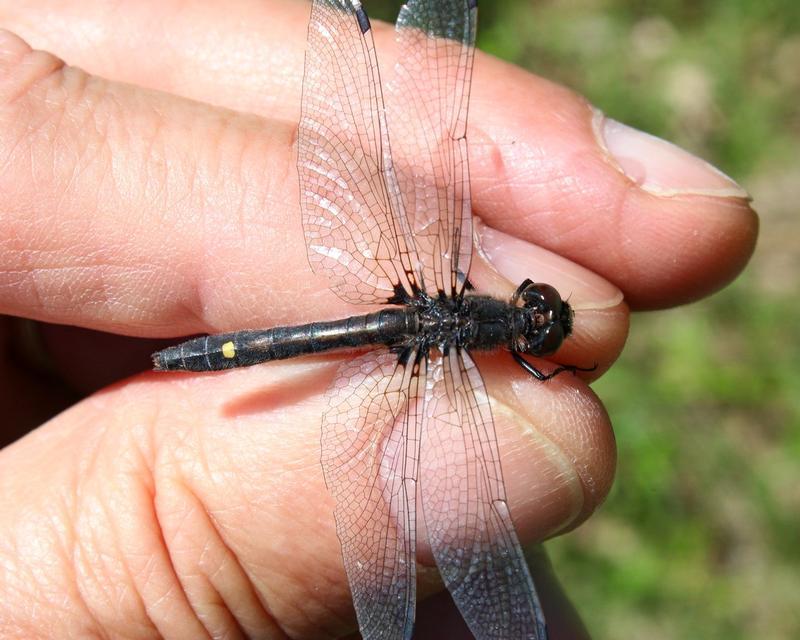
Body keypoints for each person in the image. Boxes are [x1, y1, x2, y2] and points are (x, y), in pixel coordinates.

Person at [0, 1, 757, 638]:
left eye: (533, 323)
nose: (534, 317)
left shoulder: (458, 296)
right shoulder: (489, 344)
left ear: (515, 324)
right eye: (535, 314)